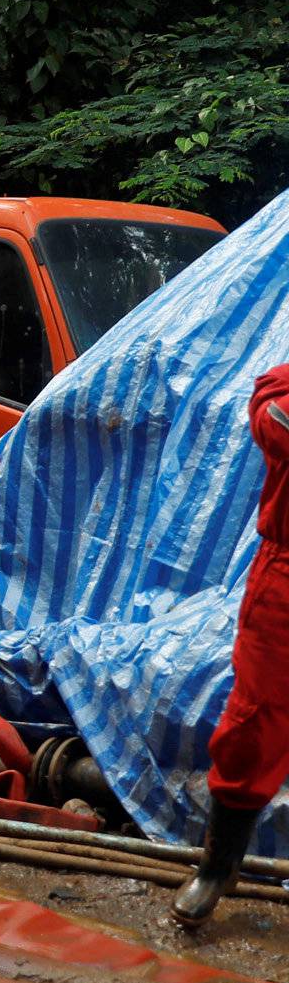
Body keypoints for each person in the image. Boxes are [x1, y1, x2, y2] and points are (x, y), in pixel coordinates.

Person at [174, 366, 289, 925]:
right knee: (251, 724)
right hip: (285, 576)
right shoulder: (282, 386)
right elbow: (272, 420)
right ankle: (218, 868)